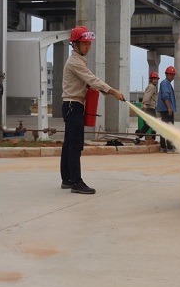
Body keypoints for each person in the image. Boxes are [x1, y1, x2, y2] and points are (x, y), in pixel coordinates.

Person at [60, 26, 125, 194]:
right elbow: (92, 79)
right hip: (73, 106)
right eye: (84, 44)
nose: (88, 47)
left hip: (72, 106)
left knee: (69, 144)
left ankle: (66, 179)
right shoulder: (75, 62)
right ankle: (76, 182)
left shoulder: (79, 61)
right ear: (74, 45)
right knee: (75, 146)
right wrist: (113, 91)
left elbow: (89, 82)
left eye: (89, 43)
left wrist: (106, 91)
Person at [134, 71, 159, 145]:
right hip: (149, 108)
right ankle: (151, 138)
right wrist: (145, 104)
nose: (155, 80)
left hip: (150, 108)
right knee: (152, 124)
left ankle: (138, 138)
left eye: (156, 79)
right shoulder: (151, 87)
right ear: (150, 79)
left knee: (148, 125)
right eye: (153, 79)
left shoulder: (152, 87)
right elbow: (147, 96)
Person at [156, 66, 177, 153]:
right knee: (168, 128)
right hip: (166, 110)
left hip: (166, 109)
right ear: (166, 74)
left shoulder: (167, 83)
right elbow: (165, 96)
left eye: (173, 74)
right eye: (170, 74)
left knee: (165, 128)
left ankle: (164, 147)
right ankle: (168, 147)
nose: (172, 76)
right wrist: (169, 108)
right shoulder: (165, 83)